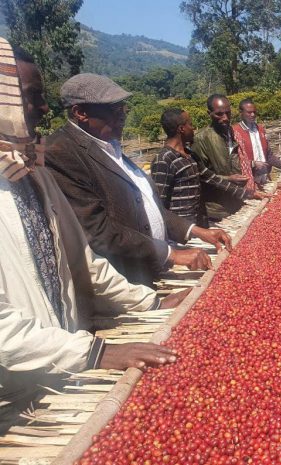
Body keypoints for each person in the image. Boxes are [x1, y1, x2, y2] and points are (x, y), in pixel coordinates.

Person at [0, 39, 188, 430]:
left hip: (61, 378)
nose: (44, 108)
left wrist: (150, 303)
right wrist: (96, 353)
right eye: (31, 96)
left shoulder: (31, 173)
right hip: (13, 399)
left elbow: (83, 261)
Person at [44, 74, 232, 287]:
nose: (123, 116)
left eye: (124, 108)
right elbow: (97, 230)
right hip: (124, 285)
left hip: (151, 273)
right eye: (114, 110)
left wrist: (197, 231)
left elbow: (148, 207)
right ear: (81, 113)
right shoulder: (61, 152)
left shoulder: (108, 145)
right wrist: (171, 253)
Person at [152, 108, 266, 227]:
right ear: (181, 129)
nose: (193, 128)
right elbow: (159, 204)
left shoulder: (190, 155)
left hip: (198, 222)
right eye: (190, 124)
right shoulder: (163, 160)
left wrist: (247, 193)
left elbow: (212, 179)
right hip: (181, 229)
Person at [191, 94, 250, 220]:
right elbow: (199, 176)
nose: (225, 118)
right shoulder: (201, 139)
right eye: (219, 114)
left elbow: (235, 161)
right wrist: (228, 179)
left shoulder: (232, 132)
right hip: (216, 210)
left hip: (237, 203)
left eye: (228, 113)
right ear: (209, 113)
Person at [233, 98, 281, 186]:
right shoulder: (235, 131)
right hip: (247, 181)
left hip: (264, 178)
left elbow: (269, 155)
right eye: (249, 112)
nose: (252, 115)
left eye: (254, 112)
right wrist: (252, 163)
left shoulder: (260, 129)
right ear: (241, 113)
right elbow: (232, 161)